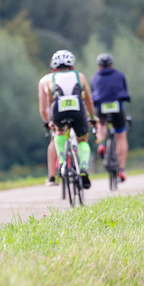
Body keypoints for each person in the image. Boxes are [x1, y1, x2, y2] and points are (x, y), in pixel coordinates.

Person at [38, 50, 97, 189]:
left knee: (59, 132)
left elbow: (49, 103)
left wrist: (49, 121)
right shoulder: (79, 76)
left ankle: (62, 162)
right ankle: (83, 167)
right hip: (78, 110)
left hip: (59, 110)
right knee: (82, 139)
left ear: (54, 67)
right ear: (72, 66)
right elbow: (88, 100)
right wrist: (92, 117)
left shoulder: (49, 79)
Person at [90, 52, 131, 183]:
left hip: (102, 107)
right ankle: (122, 170)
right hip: (117, 107)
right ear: (111, 65)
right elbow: (124, 91)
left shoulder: (95, 77)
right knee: (121, 136)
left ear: (99, 66)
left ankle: (101, 144)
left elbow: (93, 94)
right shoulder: (119, 75)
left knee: (101, 124)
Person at [37, 68, 59, 186]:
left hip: (53, 114)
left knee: (54, 140)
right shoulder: (73, 76)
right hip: (73, 110)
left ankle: (51, 176)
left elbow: (42, 108)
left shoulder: (44, 80)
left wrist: (47, 122)